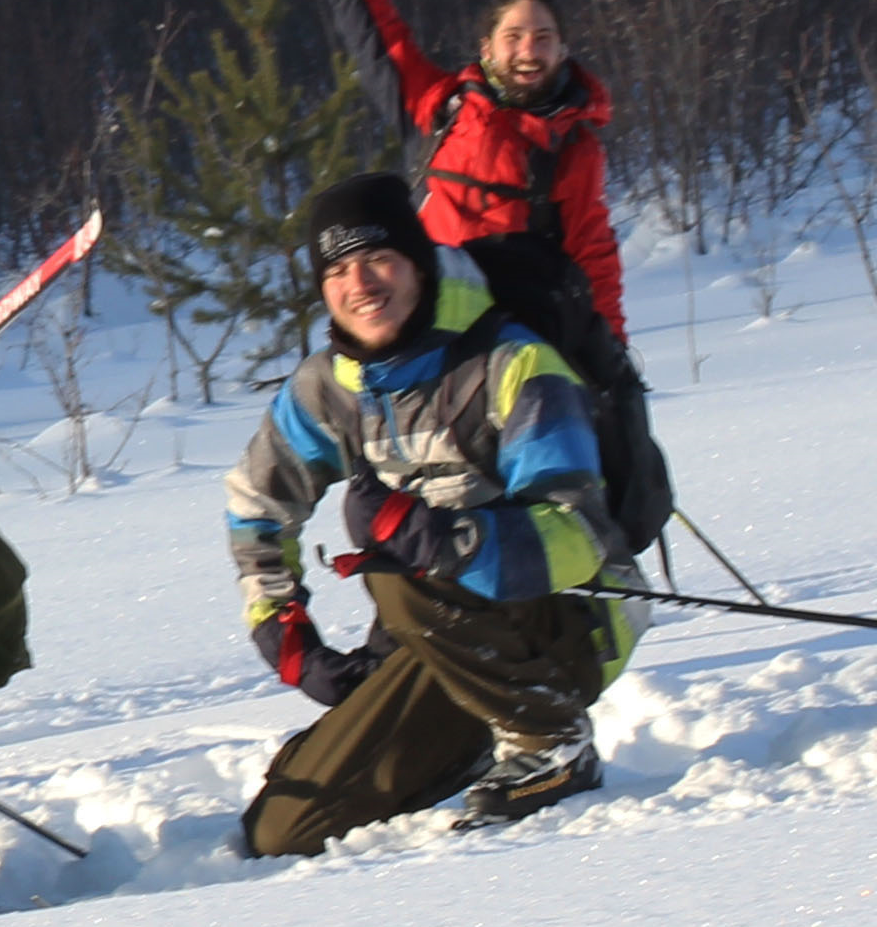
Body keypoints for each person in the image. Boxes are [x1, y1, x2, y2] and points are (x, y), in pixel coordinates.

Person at [225, 173, 638, 858]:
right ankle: (470, 741)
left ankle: (549, 740)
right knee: (281, 829)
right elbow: (255, 506)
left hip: (568, 624)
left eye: (378, 259)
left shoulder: (512, 362)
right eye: (337, 269)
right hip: (438, 639)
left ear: (417, 260)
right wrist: (282, 628)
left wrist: (437, 539)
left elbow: (582, 535)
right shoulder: (329, 387)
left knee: (394, 570)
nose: (360, 283)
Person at [288, 0, 628, 358]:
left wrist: (612, 359)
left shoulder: (574, 147)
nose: (529, 51)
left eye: (543, 37)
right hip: (423, 341)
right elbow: (364, 13)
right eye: (514, 36)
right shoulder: (437, 107)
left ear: (563, 50)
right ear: (487, 48)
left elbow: (594, 260)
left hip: (516, 352)